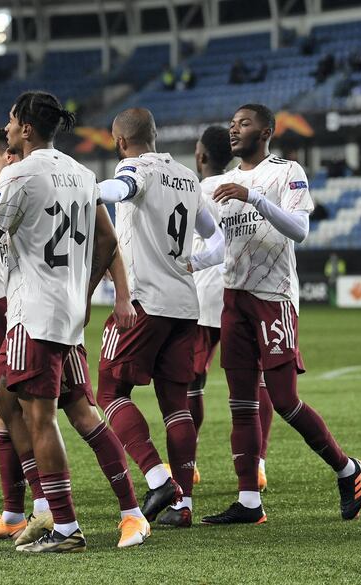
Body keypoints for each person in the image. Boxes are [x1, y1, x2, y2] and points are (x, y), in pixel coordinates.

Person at [0, 129, 149, 549]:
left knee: (54, 414)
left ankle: (75, 520)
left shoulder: (20, 182)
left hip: (33, 316)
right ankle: (27, 513)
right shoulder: (65, 177)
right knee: (3, 401)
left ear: (12, 155)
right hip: (52, 313)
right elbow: (105, 241)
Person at [203, 104, 361, 525]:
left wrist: (254, 197)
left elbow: (299, 229)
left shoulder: (287, 171)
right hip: (234, 297)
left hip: (273, 296)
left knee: (285, 399)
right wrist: (195, 261)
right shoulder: (226, 181)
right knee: (240, 401)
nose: (234, 129)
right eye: (232, 123)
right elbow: (223, 240)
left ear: (267, 131)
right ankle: (249, 502)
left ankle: (347, 469)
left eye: (244, 123)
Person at [93, 108, 225, 528]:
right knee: (176, 405)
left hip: (144, 302)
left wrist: (86, 188)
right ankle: (182, 507)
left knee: (110, 392)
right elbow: (217, 240)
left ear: (119, 142)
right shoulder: (187, 176)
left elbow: (121, 188)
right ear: (156, 134)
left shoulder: (135, 170)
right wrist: (194, 262)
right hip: (186, 306)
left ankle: (156, 477)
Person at [188, 126, 274, 496]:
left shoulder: (196, 190)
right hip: (242, 291)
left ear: (201, 156)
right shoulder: (243, 188)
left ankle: (186, 464)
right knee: (256, 381)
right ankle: (258, 464)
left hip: (204, 295)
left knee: (191, 382)